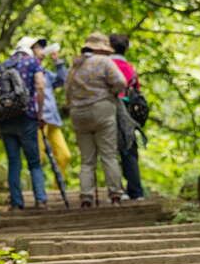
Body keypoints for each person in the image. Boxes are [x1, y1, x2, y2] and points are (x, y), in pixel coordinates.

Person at [0, 36, 49, 210]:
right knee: (34, 162)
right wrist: (39, 114)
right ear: (30, 48)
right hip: (27, 117)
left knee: (14, 162)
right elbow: (40, 86)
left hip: (6, 120)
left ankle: (16, 203)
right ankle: (40, 200)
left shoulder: (2, 66)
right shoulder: (33, 63)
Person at [64, 32, 127, 207]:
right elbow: (121, 82)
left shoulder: (75, 65)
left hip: (78, 113)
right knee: (108, 155)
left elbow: (67, 91)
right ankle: (115, 195)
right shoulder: (104, 62)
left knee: (87, 159)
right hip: (102, 110)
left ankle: (86, 196)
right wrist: (111, 93)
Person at [109, 33, 145, 199]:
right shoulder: (131, 68)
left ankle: (118, 189)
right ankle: (136, 191)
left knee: (110, 151)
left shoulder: (107, 65)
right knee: (130, 149)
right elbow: (137, 89)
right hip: (129, 111)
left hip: (111, 108)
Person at [39, 42, 72, 174]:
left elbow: (63, 81)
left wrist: (57, 61)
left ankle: (58, 185)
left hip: (53, 120)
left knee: (65, 156)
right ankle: (36, 186)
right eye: (38, 48)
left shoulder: (45, 73)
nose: (42, 51)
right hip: (39, 120)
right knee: (39, 157)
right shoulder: (26, 71)